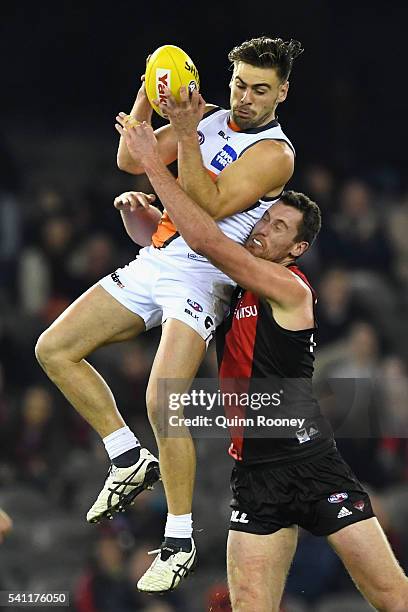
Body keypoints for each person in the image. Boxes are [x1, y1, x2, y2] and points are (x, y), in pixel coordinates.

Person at [35, 36, 303, 592]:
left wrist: (182, 133)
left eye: (260, 89)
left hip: (204, 275)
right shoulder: (205, 118)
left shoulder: (275, 153)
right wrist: (147, 92)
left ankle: (178, 537)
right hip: (158, 256)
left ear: (281, 92)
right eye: (238, 85)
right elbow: (130, 159)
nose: (245, 99)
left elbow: (205, 209)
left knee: (164, 397)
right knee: (53, 349)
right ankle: (126, 455)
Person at [114, 121, 408, 611]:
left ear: (297, 250)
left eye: (278, 228)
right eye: (265, 217)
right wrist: (142, 217)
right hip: (254, 474)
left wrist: (152, 163)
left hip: (312, 463)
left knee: (391, 596)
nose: (262, 228)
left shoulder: (291, 288)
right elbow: (176, 249)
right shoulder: (227, 283)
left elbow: (207, 240)